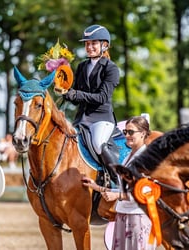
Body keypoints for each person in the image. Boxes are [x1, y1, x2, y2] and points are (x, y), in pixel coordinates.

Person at [82, 116, 156, 250]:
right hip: (122, 215)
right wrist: (96, 187)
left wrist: (117, 197)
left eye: (131, 132)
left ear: (143, 133)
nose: (127, 136)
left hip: (138, 217)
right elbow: (125, 189)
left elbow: (145, 192)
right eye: (125, 132)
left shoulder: (147, 159)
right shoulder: (127, 157)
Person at [63, 24, 120, 174]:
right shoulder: (82, 66)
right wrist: (65, 91)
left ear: (104, 45)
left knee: (98, 143)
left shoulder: (111, 68)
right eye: (87, 44)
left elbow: (102, 97)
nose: (89, 47)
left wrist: (76, 94)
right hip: (81, 119)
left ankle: (118, 180)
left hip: (101, 119)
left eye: (93, 43)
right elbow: (75, 99)